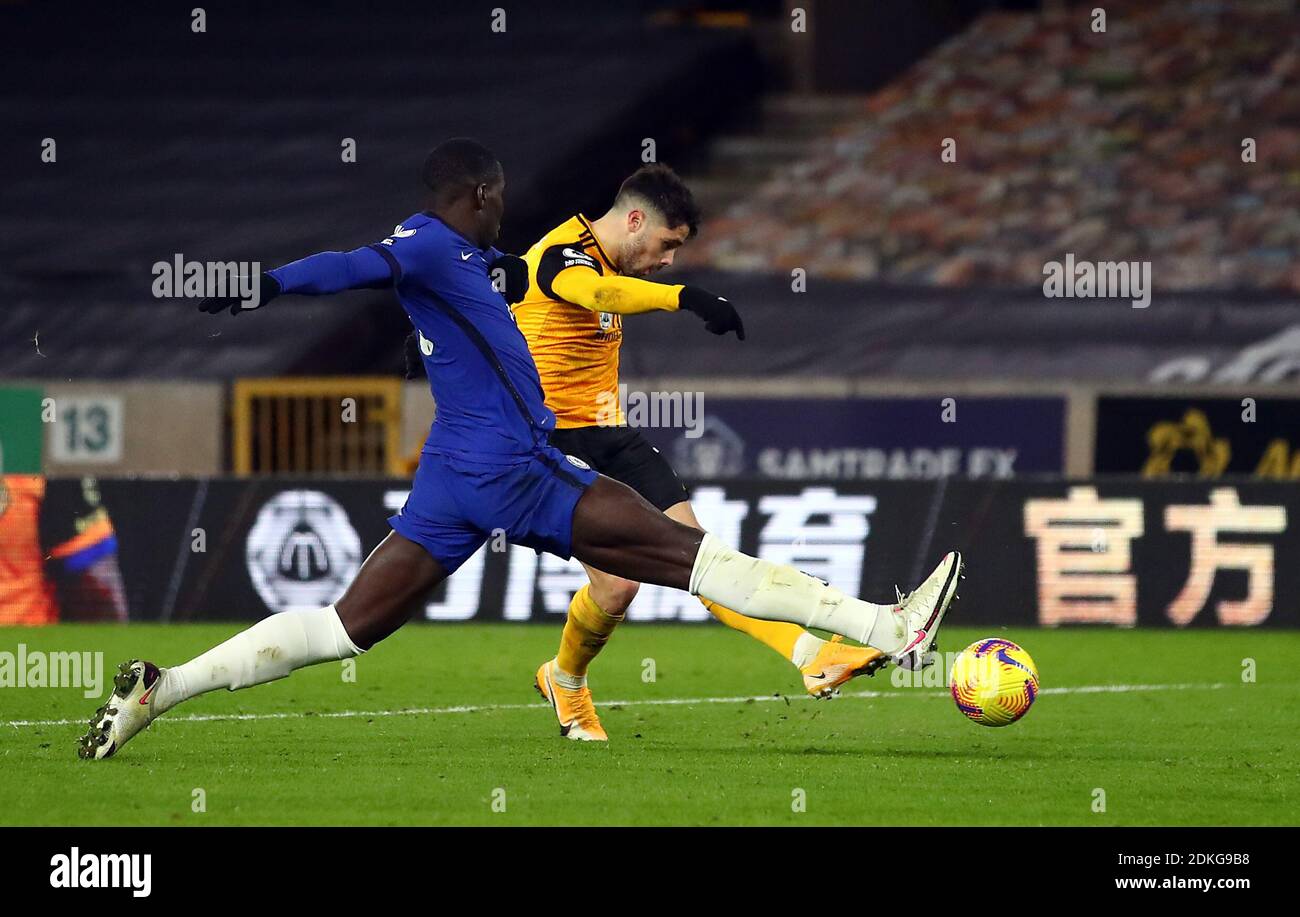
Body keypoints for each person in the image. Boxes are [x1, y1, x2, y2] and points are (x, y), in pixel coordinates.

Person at [79, 138, 960, 760]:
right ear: (481, 194)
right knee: (691, 556)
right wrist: (262, 286)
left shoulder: (472, 261)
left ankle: (162, 690)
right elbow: (350, 265)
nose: (506, 208)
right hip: (515, 469)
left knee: (345, 627)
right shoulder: (424, 247)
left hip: (453, 481)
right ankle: (887, 629)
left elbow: (502, 284)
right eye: (498, 195)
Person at [505, 164, 889, 740]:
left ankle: (814, 655)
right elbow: (596, 292)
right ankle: (568, 681)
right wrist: (684, 297)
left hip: (609, 433)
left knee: (704, 557)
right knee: (618, 587)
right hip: (546, 440)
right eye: (667, 245)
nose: (667, 261)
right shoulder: (563, 254)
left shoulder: (602, 257)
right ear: (635, 220)